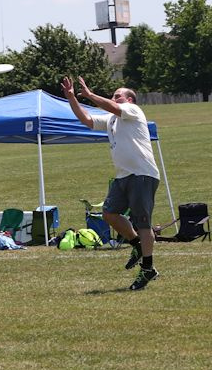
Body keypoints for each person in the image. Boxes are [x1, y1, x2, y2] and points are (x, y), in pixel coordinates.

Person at [62, 76, 161, 290]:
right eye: (113, 96)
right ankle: (136, 244)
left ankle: (148, 268)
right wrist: (72, 98)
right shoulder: (112, 119)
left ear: (129, 100)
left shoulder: (133, 110)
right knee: (109, 214)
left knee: (143, 223)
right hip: (123, 176)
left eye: (118, 95)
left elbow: (112, 107)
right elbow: (87, 120)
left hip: (142, 174)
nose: (114, 98)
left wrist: (89, 95)